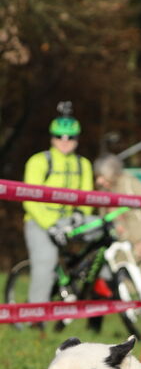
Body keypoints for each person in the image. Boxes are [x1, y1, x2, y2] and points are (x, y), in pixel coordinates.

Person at [22, 102, 94, 303]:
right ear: (52, 138)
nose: (65, 141)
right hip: (40, 223)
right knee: (45, 264)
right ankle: (36, 318)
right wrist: (50, 226)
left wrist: (79, 215)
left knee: (106, 233)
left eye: (70, 137)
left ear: (77, 139)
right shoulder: (38, 161)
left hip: (71, 220)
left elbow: (87, 196)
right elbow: (29, 200)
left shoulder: (84, 164)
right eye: (59, 137)